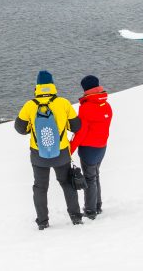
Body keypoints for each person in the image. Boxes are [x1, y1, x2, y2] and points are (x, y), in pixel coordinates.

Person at [14, 70, 83, 229]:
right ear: (52, 85)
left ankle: (43, 222)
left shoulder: (30, 105)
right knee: (67, 184)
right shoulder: (63, 103)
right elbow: (76, 126)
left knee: (40, 188)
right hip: (61, 153)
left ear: (37, 87)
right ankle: (76, 217)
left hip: (39, 155)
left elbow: (20, 128)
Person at [69, 74, 113, 220]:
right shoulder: (106, 105)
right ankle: (97, 205)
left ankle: (90, 210)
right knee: (95, 175)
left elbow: (80, 133)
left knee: (90, 178)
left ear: (85, 89)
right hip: (102, 146)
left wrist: (69, 149)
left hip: (89, 149)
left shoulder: (86, 108)